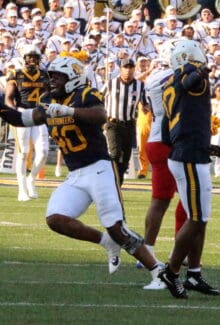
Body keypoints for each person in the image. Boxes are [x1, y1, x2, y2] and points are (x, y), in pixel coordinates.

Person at [0, 56, 166, 289]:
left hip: (99, 168)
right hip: (75, 174)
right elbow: (22, 118)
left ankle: (158, 271)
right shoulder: (47, 100)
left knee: (117, 228)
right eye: (51, 76)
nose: (52, 81)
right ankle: (105, 242)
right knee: (56, 219)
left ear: (73, 76)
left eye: (57, 76)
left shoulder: (86, 93)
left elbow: (100, 115)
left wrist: (68, 110)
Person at [158, 40, 220, 299]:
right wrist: (202, 72)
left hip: (187, 153)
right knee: (197, 218)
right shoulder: (190, 79)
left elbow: (165, 131)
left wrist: (202, 144)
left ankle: (193, 273)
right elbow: (189, 82)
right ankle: (171, 272)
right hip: (189, 158)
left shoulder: (168, 85)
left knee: (200, 218)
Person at [139, 67, 188, 290]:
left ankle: (147, 249)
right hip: (171, 140)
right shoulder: (174, 76)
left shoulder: (156, 76)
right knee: (188, 199)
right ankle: (179, 251)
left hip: (158, 138)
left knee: (160, 200)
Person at [4, 45, 49, 201]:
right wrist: (13, 112)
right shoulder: (15, 74)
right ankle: (22, 189)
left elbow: (51, 95)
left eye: (35, 58)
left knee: (43, 152)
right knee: (23, 152)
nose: (32, 60)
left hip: (39, 114)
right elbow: (9, 97)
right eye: (29, 57)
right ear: (24, 58)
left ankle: (32, 179)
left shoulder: (45, 75)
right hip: (22, 112)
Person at [103, 58, 148, 185]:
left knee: (126, 157)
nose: (128, 70)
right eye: (125, 67)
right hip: (113, 123)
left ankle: (118, 183)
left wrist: (146, 107)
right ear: (120, 69)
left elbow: (145, 103)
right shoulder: (111, 83)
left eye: (130, 67)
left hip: (129, 124)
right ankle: (110, 181)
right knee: (115, 153)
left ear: (134, 69)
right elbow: (99, 98)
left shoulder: (140, 85)